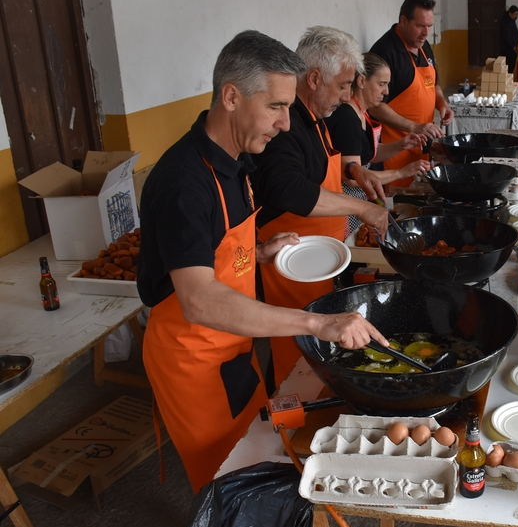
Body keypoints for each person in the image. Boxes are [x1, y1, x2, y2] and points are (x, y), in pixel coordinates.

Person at [137, 30, 388, 493]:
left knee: (262, 450)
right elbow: (197, 299)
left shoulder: (237, 161)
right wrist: (314, 324)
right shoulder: (183, 182)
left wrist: (256, 253)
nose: (286, 124)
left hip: (236, 345)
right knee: (229, 486)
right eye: (275, 107)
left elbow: (215, 253)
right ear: (231, 96)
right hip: (194, 359)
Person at [252, 26, 390, 389]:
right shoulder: (287, 124)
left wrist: (353, 168)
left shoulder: (316, 119)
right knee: (294, 360)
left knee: (318, 351)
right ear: (314, 78)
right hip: (292, 266)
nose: (347, 96)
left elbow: (317, 168)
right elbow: (288, 189)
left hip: (322, 258)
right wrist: (361, 209)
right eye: (344, 85)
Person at [325, 53, 430, 236]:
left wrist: (401, 145)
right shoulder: (347, 118)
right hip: (347, 204)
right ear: (362, 81)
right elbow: (353, 176)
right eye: (381, 84)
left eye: (387, 85)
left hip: (361, 200)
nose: (386, 91)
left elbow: (367, 153)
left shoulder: (363, 112)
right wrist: (400, 172)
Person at [369, 0, 454, 187]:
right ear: (404, 21)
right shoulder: (385, 52)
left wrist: (442, 103)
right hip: (392, 149)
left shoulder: (424, 46)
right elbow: (375, 106)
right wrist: (414, 127)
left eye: (429, 26)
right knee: (397, 204)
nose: (425, 33)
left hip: (419, 144)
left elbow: (435, 84)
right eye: (420, 26)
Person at [500, 5, 518, 74]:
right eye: (515, 14)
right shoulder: (506, 22)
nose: (516, 16)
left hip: (512, 49)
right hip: (508, 50)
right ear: (510, 13)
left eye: (517, 14)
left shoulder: (512, 20)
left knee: (511, 67)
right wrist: (514, 47)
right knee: (508, 68)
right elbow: (507, 37)